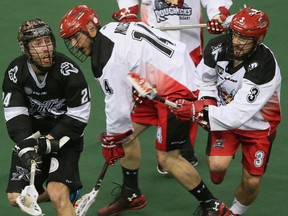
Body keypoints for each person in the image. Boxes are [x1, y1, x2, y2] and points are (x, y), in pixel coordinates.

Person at [60, 4, 229, 216]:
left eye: (77, 37)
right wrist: (118, 137)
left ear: (91, 29)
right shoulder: (110, 29)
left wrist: (112, 140)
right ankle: (132, 193)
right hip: (166, 73)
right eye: (71, 40)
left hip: (176, 86)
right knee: (127, 137)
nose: (74, 44)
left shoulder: (104, 58)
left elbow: (117, 104)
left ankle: (213, 206)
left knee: (167, 158)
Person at [170, 7, 281, 216]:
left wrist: (197, 112)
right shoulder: (216, 46)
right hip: (222, 117)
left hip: (257, 126)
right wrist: (206, 103)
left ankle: (234, 212)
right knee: (217, 168)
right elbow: (204, 81)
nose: (238, 42)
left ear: (259, 39)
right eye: (235, 34)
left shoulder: (264, 66)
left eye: (246, 38)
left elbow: (237, 115)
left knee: (252, 181)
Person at [112, 0, 233, 173]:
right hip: (153, 43)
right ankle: (171, 145)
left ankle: (183, 144)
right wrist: (128, 11)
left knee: (189, 95)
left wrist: (216, 14)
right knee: (152, 93)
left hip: (189, 45)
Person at [2, 18, 91, 216]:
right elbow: (15, 113)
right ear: (25, 48)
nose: (46, 48)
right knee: (15, 198)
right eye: (38, 44)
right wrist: (26, 144)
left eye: (48, 41)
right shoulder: (15, 72)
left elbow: (79, 116)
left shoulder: (69, 71)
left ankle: (63, 191)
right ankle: (71, 191)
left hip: (65, 138)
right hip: (34, 137)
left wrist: (49, 141)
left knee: (57, 193)